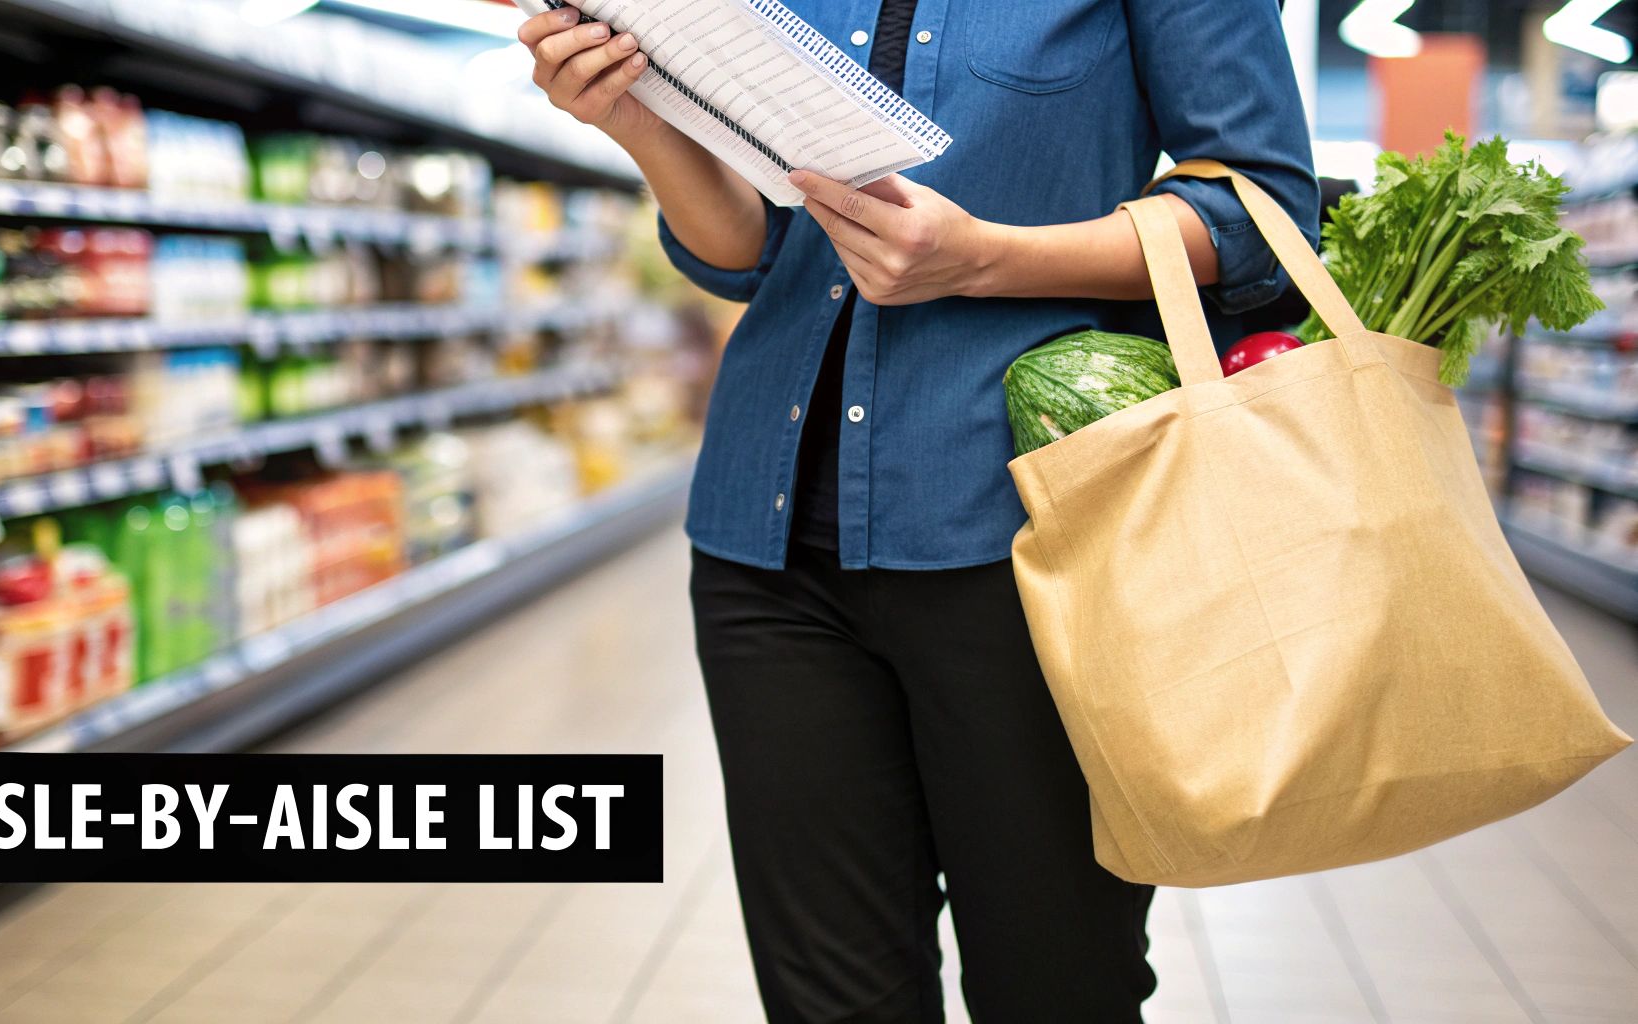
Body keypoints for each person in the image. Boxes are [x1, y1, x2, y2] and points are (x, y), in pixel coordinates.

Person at [518, 1, 1316, 1020]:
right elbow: (751, 253)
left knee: (1056, 984)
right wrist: (637, 119)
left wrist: (984, 257)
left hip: (1028, 540)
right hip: (765, 553)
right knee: (830, 1001)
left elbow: (1259, 215)